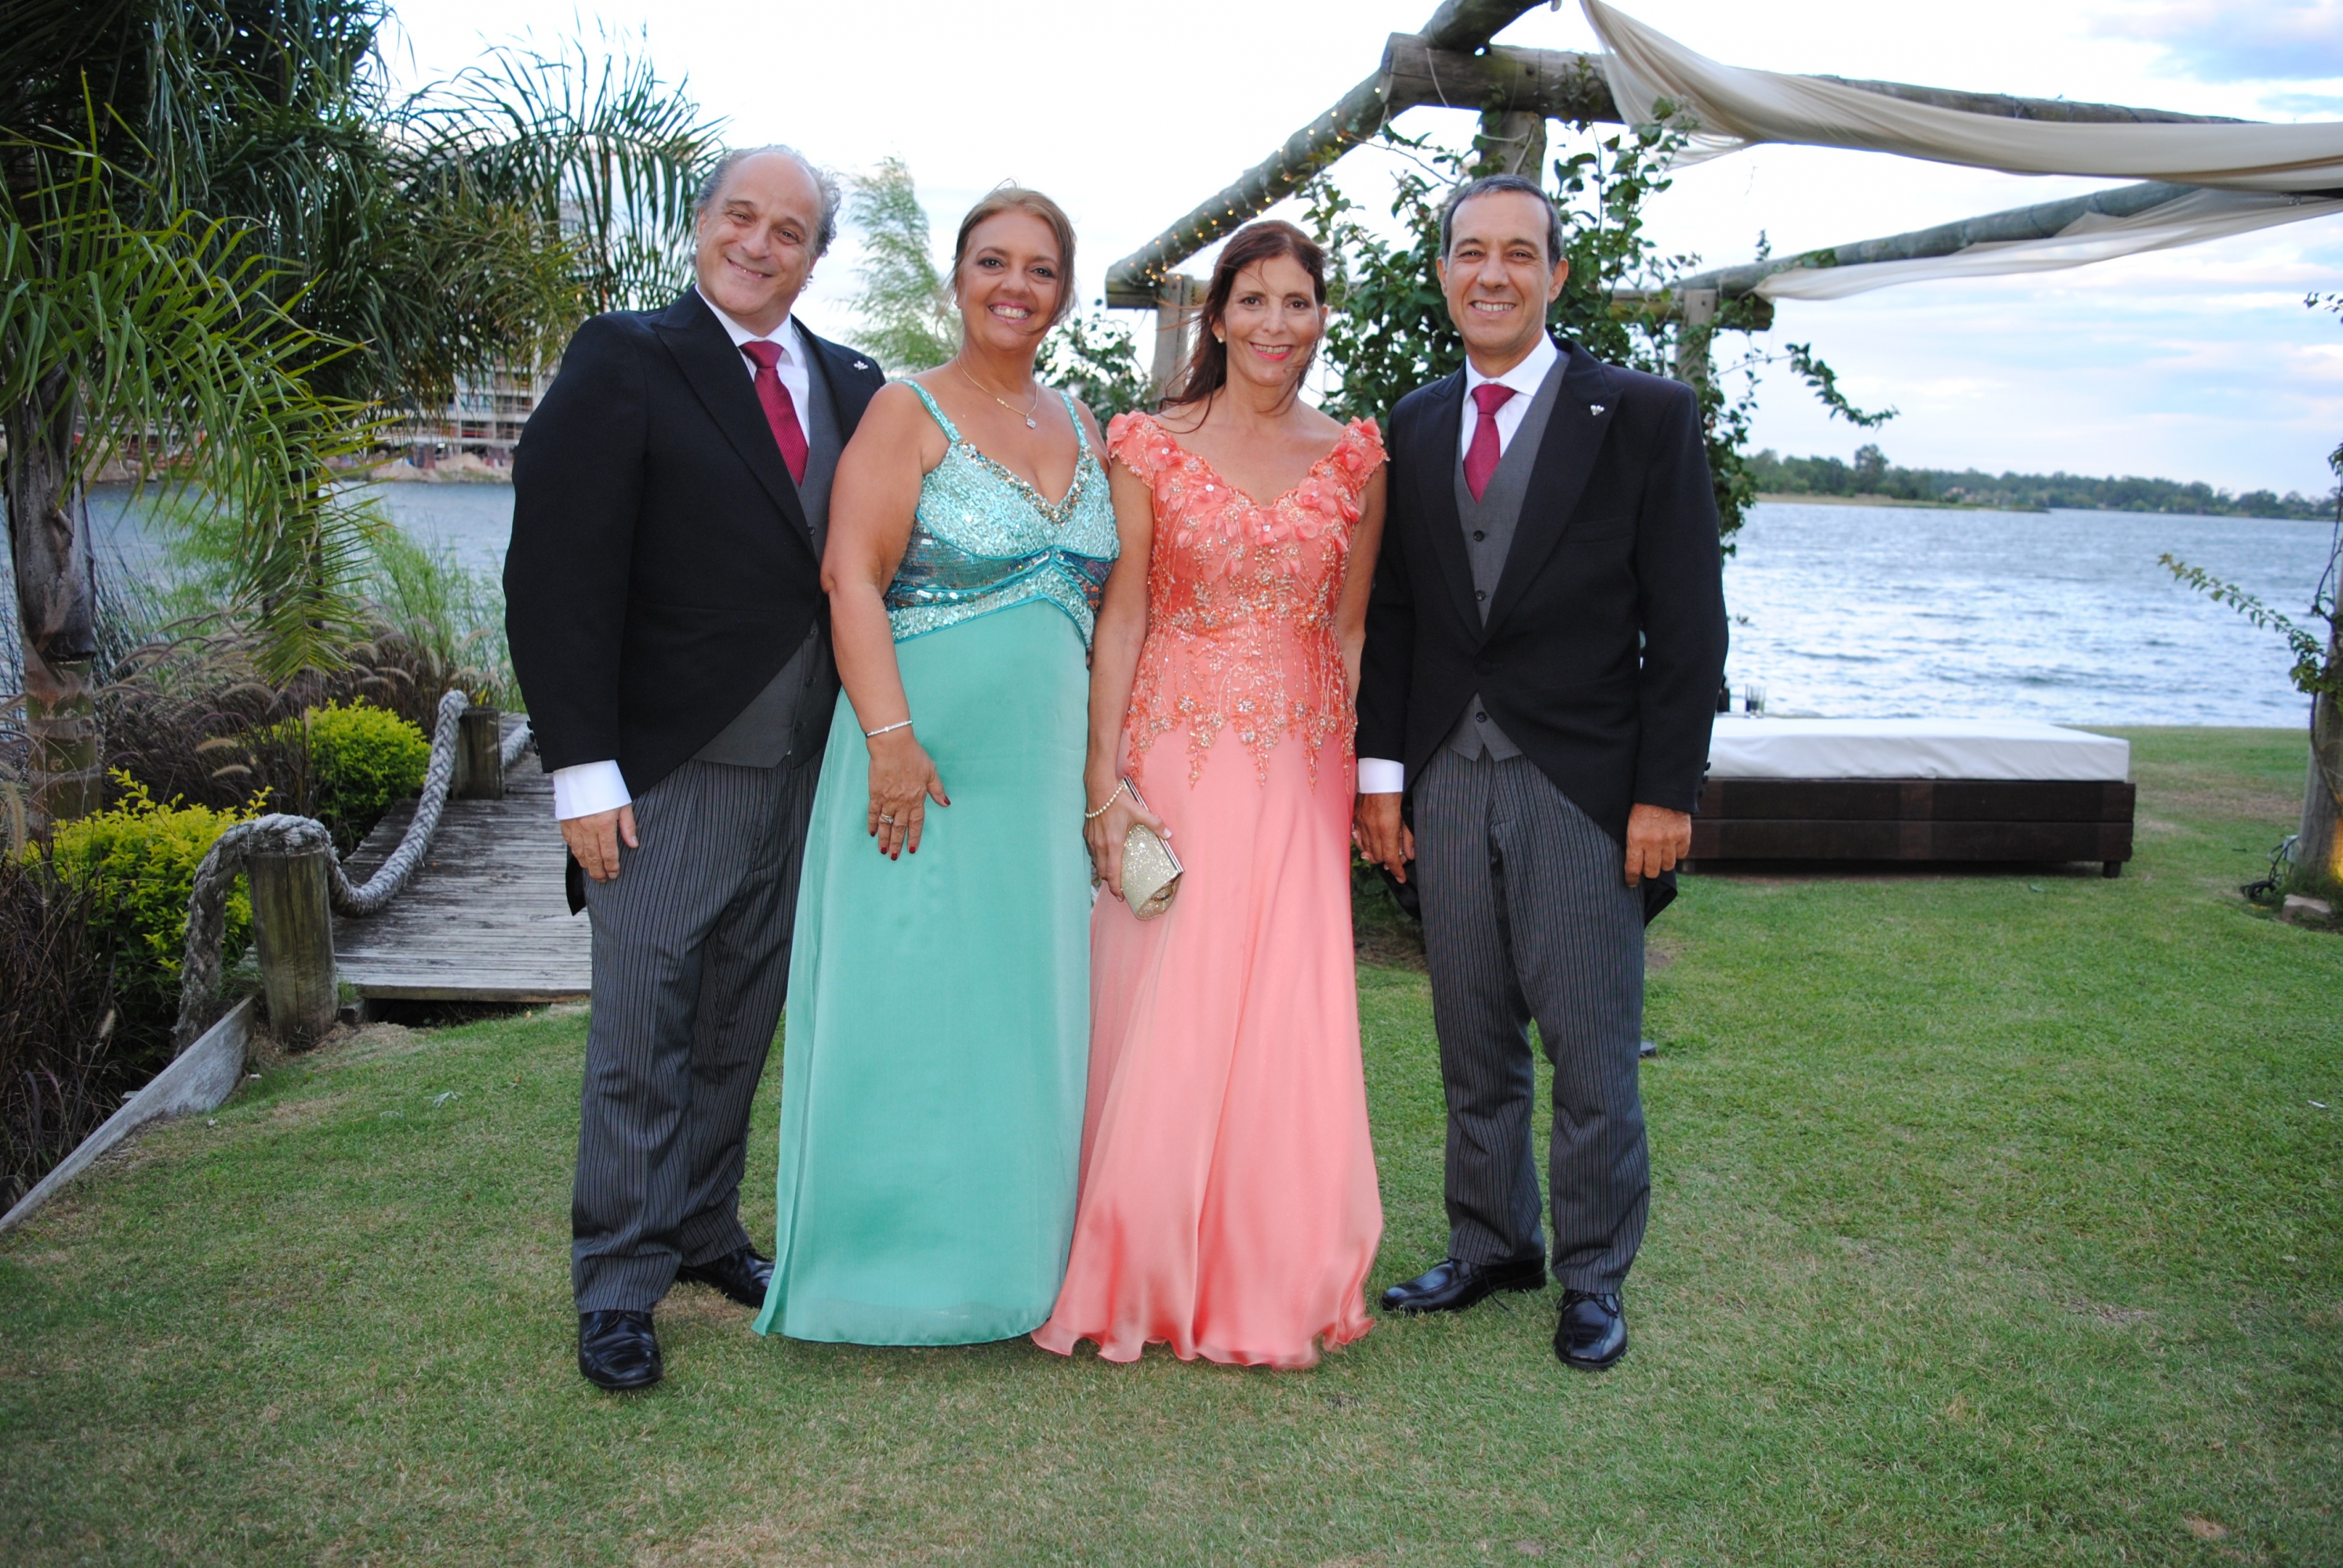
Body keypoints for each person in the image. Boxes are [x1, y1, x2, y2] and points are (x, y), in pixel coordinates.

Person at [505, 146, 886, 1392]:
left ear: (817, 255)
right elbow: (556, 577)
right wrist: (581, 770)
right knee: (642, 1035)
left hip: (807, 777)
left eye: (791, 230)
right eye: (741, 217)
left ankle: (705, 1229)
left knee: (741, 1021)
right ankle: (618, 1283)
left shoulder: (852, 383)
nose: (761, 244)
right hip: (665, 774)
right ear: (702, 224)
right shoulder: (626, 358)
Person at [1353, 173, 1728, 1371]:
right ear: (1446, 271)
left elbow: (1690, 625)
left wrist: (1667, 790)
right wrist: (1382, 778)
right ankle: (1490, 1243)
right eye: (1471, 251)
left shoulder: (1648, 417)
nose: (1494, 273)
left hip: (1583, 783)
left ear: (1557, 276)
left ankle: (1595, 1275)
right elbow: (1401, 613)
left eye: (1521, 253)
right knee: (1470, 1037)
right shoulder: (1411, 426)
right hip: (1448, 782)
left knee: (1591, 1048)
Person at [751, 188, 1117, 1347]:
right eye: (994, 262)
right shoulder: (904, 410)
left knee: (1025, 1005)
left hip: (1043, 769)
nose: (1017, 285)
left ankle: (1017, 1264)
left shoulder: (1085, 421)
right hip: (923, 755)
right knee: (906, 1002)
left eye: (1042, 268)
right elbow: (849, 576)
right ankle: (884, 1267)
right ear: (958, 278)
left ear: (1065, 290)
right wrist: (891, 743)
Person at [1033, 220, 1386, 1369]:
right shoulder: (1149, 442)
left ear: (1319, 316)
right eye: (1256, 302)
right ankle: (1138, 1255)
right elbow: (1123, 612)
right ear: (1219, 314)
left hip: (1299, 760)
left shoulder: (1357, 460)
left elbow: (1351, 629)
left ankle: (1266, 1263)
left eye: (1299, 303)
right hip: (1175, 744)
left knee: (1283, 1006)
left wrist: (1344, 772)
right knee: (1169, 994)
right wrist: (1104, 778)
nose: (1277, 326)